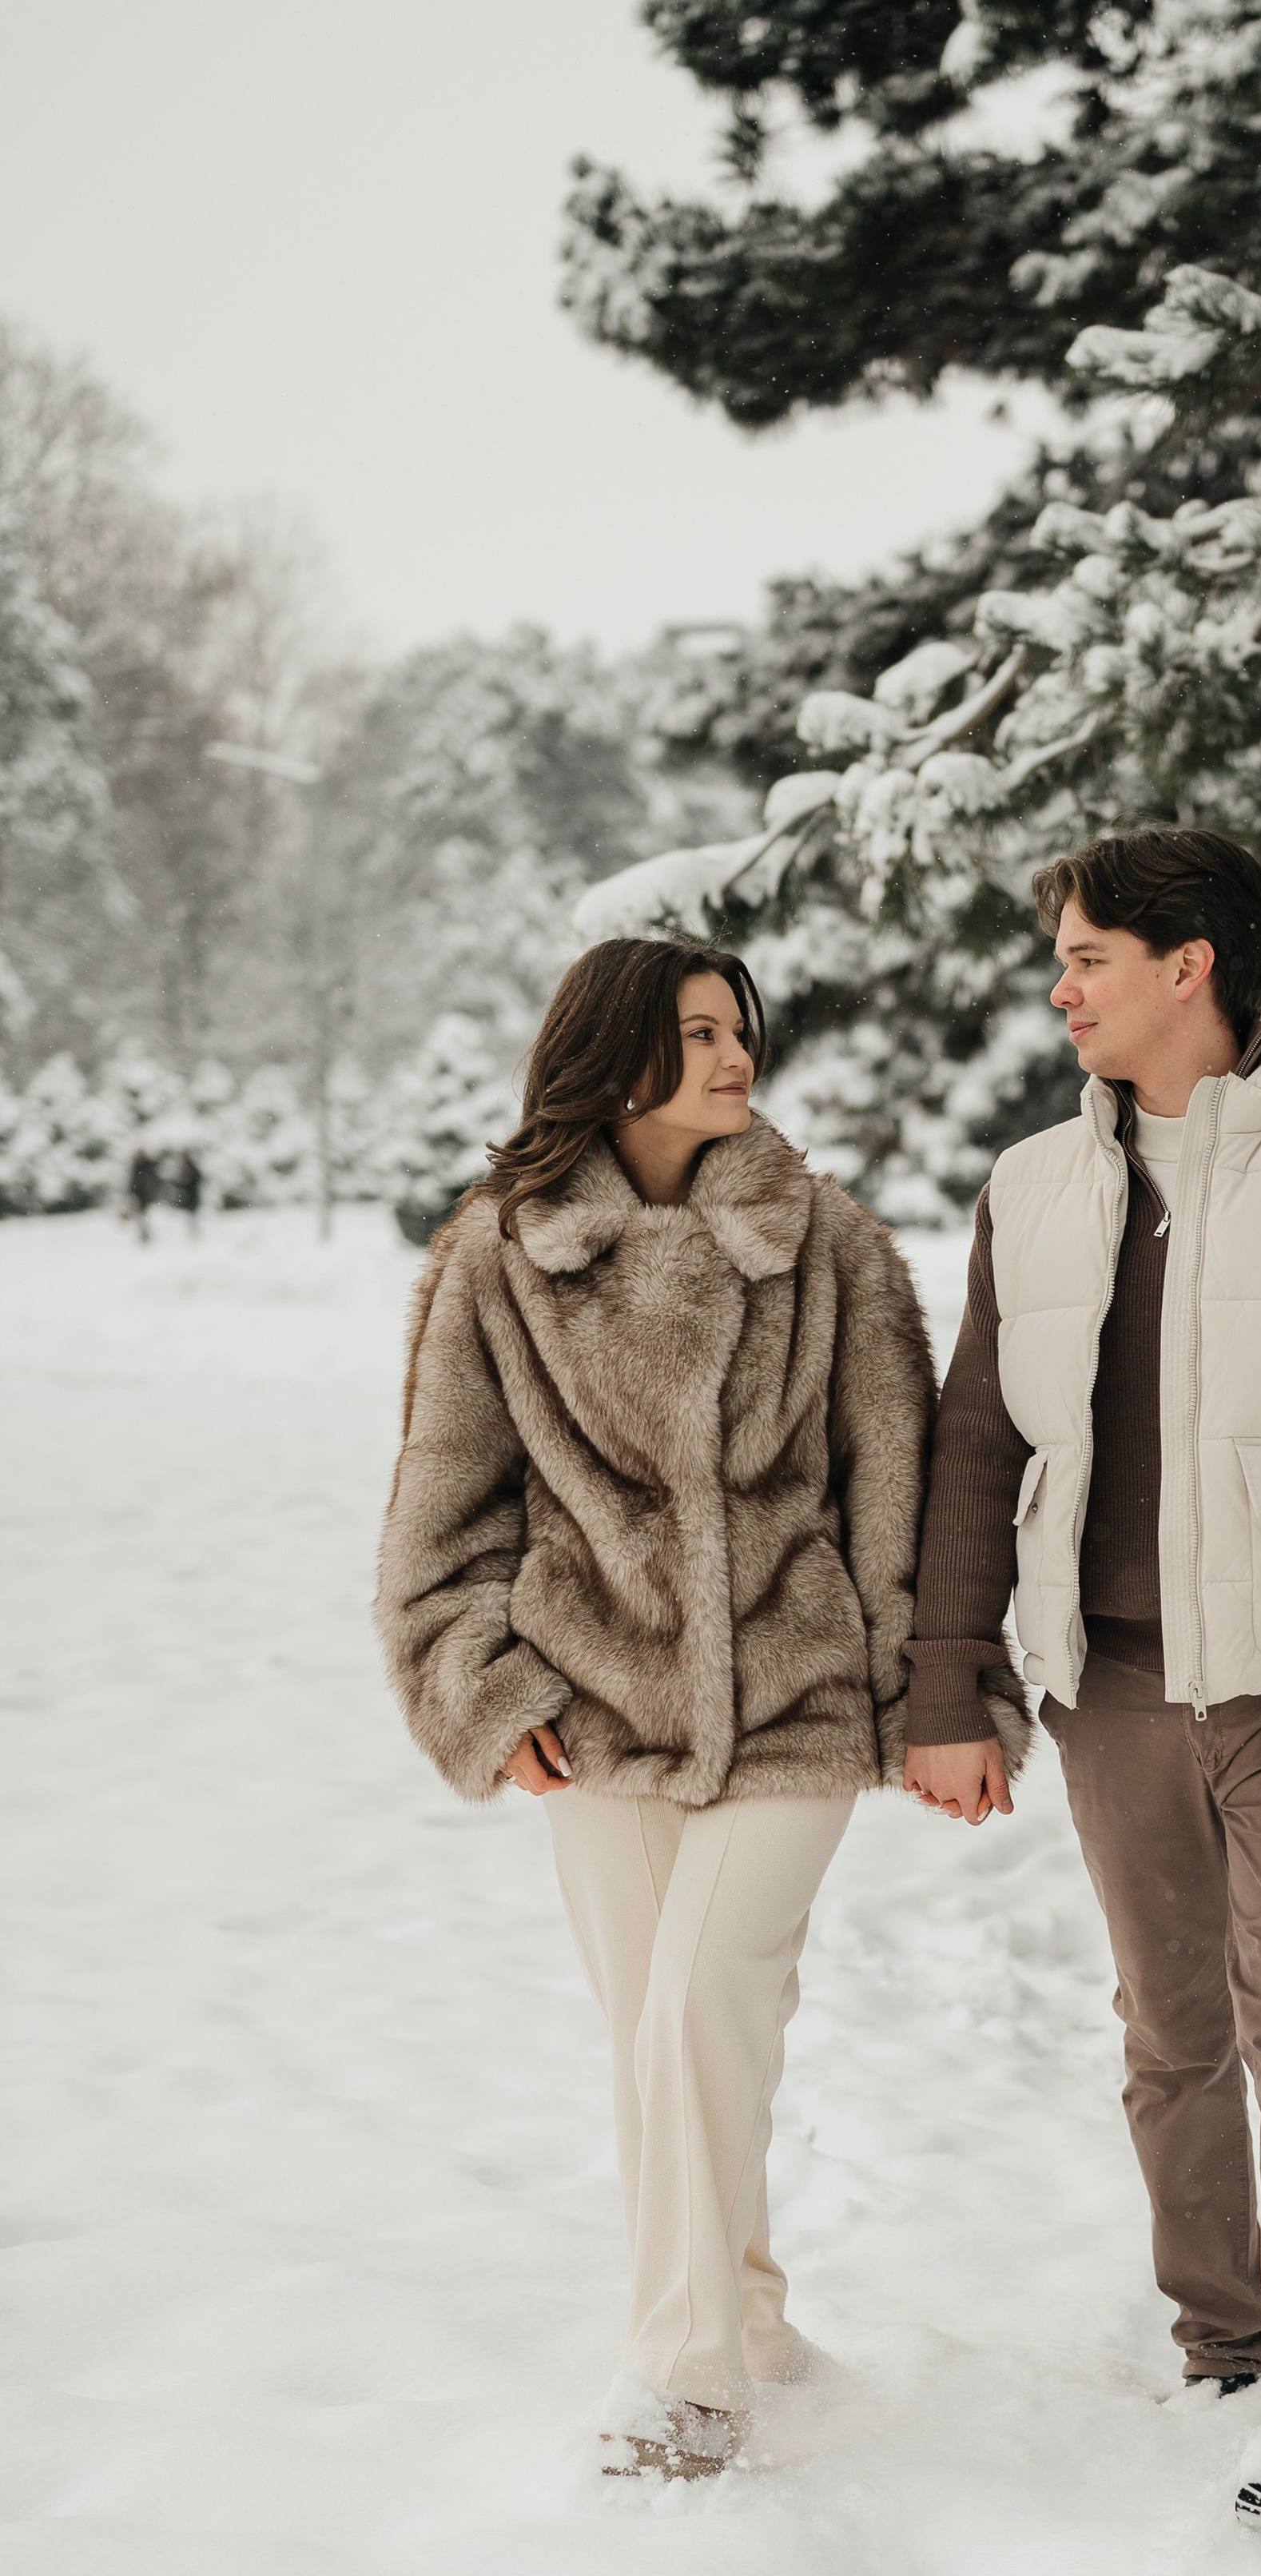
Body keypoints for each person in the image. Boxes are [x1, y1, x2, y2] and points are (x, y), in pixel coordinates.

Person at [904, 829, 1261, 2547]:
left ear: (1192, 968)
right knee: (1170, 2033)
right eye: (1060, 956)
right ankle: (1220, 2340)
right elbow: (973, 1445)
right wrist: (955, 1682)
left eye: (1088, 955)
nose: (1058, 986)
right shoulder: (1028, 1185)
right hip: (1110, 1688)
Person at [376, 937, 1024, 2481]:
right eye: (698, 1032)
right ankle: (748, 2309)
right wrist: (477, 1686)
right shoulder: (500, 1253)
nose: (737, 1056)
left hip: (795, 1693)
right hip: (589, 1701)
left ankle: (685, 2384)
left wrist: (944, 1691)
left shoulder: (833, 1248)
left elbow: (908, 1492)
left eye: (741, 1029)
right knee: (652, 2034)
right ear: (613, 1055)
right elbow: (442, 1503)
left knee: (700, 2003)